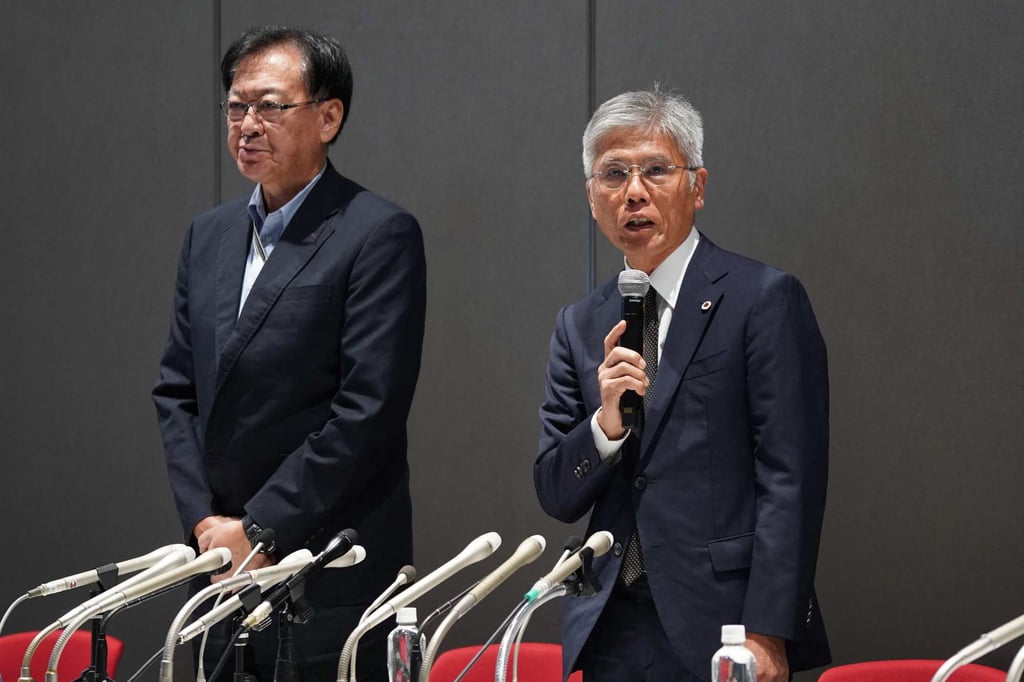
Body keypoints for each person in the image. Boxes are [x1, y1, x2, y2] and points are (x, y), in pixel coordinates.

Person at [152, 26, 425, 681]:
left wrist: (261, 530)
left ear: (328, 116)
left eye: (270, 106)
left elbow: (368, 410)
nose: (248, 124)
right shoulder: (209, 236)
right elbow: (176, 392)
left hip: (328, 570)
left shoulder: (376, 233)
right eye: (237, 106)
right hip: (219, 568)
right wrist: (208, 529)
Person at [534, 89, 830, 682]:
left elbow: (790, 479)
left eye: (655, 171)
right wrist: (604, 429)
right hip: (610, 626)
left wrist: (767, 631)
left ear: (697, 186)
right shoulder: (580, 323)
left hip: (725, 624)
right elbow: (555, 491)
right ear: (592, 198)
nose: (634, 192)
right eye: (613, 174)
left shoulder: (761, 299)